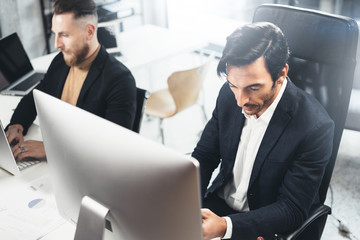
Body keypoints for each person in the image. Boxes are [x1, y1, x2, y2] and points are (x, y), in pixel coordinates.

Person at [191, 22, 334, 240]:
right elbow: (205, 155)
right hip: (217, 208)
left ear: (281, 73)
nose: (240, 100)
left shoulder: (315, 127)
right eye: (233, 85)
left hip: (265, 225)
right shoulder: (229, 95)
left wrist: (225, 226)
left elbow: (292, 208)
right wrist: (186, 204)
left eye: (253, 88)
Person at [5, 0, 136, 162]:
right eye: (55, 34)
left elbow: (115, 146)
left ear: (89, 32)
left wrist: (51, 150)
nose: (57, 44)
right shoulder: (61, 61)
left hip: (87, 168)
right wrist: (17, 125)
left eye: (64, 35)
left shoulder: (120, 80)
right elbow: (36, 95)